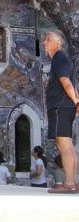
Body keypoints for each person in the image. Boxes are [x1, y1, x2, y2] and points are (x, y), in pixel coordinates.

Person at [43, 31, 79, 193]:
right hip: (64, 107)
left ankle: (69, 184)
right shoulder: (62, 59)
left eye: (48, 39)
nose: (44, 42)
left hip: (60, 107)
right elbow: (72, 84)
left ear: (58, 43)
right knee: (68, 145)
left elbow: (67, 83)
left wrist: (77, 101)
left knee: (64, 145)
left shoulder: (59, 57)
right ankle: (72, 182)